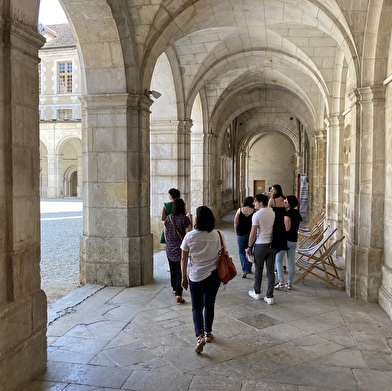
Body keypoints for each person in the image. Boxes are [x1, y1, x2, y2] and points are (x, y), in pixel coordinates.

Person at [180, 206, 225, 353]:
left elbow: (183, 258)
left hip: (196, 276)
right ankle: (208, 333)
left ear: (197, 219)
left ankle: (199, 336)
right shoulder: (218, 235)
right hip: (214, 276)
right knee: (210, 304)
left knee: (197, 307)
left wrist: (183, 276)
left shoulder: (190, 236)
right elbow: (225, 255)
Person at [246, 193, 276, 304]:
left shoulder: (257, 215)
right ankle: (270, 296)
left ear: (260, 203)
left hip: (260, 244)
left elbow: (253, 233)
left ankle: (257, 292)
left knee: (258, 269)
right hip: (272, 245)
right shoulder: (273, 212)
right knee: (270, 271)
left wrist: (249, 246)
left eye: (255, 201)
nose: (254, 203)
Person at [164, 198, 192, 303]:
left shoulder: (168, 218)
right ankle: (179, 294)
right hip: (181, 248)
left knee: (172, 268)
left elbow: (166, 234)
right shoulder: (185, 219)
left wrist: (170, 244)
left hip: (170, 248)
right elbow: (188, 235)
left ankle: (174, 288)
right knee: (180, 270)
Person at [274, 195, 303, 290]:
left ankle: (281, 282)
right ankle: (289, 284)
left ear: (290, 203)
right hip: (294, 239)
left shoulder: (287, 214)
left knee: (278, 260)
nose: (284, 203)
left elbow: (287, 229)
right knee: (291, 262)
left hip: (285, 240)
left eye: (286, 202)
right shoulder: (296, 213)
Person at [233, 196, 255, 278]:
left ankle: (244, 269)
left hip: (241, 233)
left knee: (241, 251)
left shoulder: (240, 210)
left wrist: (236, 230)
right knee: (250, 250)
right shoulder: (254, 211)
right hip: (250, 234)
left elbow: (236, 222)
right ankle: (249, 268)